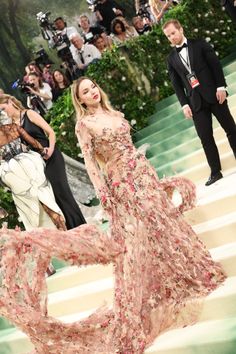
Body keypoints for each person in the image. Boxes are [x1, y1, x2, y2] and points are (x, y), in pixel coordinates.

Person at [69, 77, 225, 352]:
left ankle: (186, 272)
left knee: (164, 224)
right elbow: (91, 163)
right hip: (122, 183)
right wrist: (104, 194)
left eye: (93, 87)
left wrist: (148, 171)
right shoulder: (84, 125)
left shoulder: (112, 113)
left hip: (143, 173)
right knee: (147, 232)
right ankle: (165, 286)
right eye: (85, 91)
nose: (92, 92)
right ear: (79, 100)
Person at [162, 19, 236, 186]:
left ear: (180, 29)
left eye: (173, 33)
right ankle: (215, 172)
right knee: (205, 138)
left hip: (215, 94)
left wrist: (221, 86)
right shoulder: (171, 59)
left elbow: (215, 65)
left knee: (231, 129)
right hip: (195, 102)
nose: (172, 38)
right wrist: (184, 104)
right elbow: (177, 84)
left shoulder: (199, 43)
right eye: (168, 36)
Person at [0, 94, 86, 229]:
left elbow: (50, 132)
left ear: (11, 102)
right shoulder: (9, 128)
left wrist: (50, 149)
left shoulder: (29, 114)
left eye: (3, 108)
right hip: (36, 165)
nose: (3, 112)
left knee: (62, 192)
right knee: (52, 199)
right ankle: (70, 231)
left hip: (51, 157)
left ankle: (81, 226)